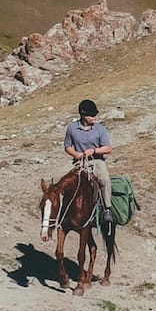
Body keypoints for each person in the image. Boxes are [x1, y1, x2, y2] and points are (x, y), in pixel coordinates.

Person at [64, 98, 114, 228]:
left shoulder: (100, 129)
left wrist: (94, 151)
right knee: (63, 182)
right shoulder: (72, 128)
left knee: (104, 179)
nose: (94, 117)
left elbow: (108, 148)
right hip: (79, 162)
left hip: (96, 161)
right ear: (83, 115)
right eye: (91, 115)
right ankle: (63, 211)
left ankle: (107, 208)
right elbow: (67, 146)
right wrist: (76, 154)